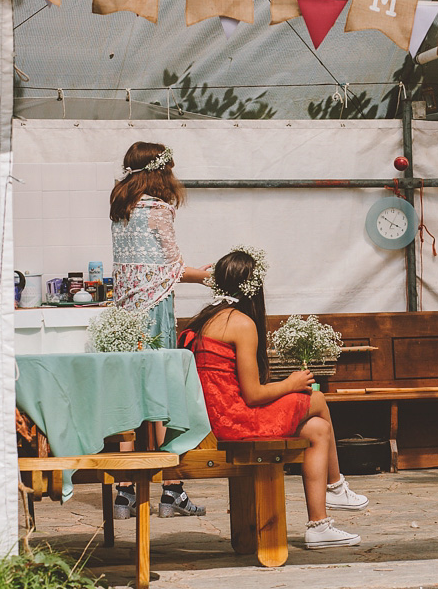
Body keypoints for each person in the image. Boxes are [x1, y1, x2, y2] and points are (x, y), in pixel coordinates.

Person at [179, 246, 368, 549]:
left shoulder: (202, 321)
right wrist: (292, 382)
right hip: (234, 421)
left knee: (318, 430)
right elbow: (253, 395)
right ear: (253, 287)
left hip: (214, 420)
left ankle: (319, 526)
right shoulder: (240, 323)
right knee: (316, 400)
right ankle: (336, 486)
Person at [109, 141, 212, 518]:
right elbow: (171, 268)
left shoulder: (121, 208)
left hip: (123, 316)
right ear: (162, 171)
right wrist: (210, 276)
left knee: (129, 399)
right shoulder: (159, 209)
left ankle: (125, 493)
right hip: (153, 313)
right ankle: (171, 489)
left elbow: (139, 266)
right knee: (163, 400)